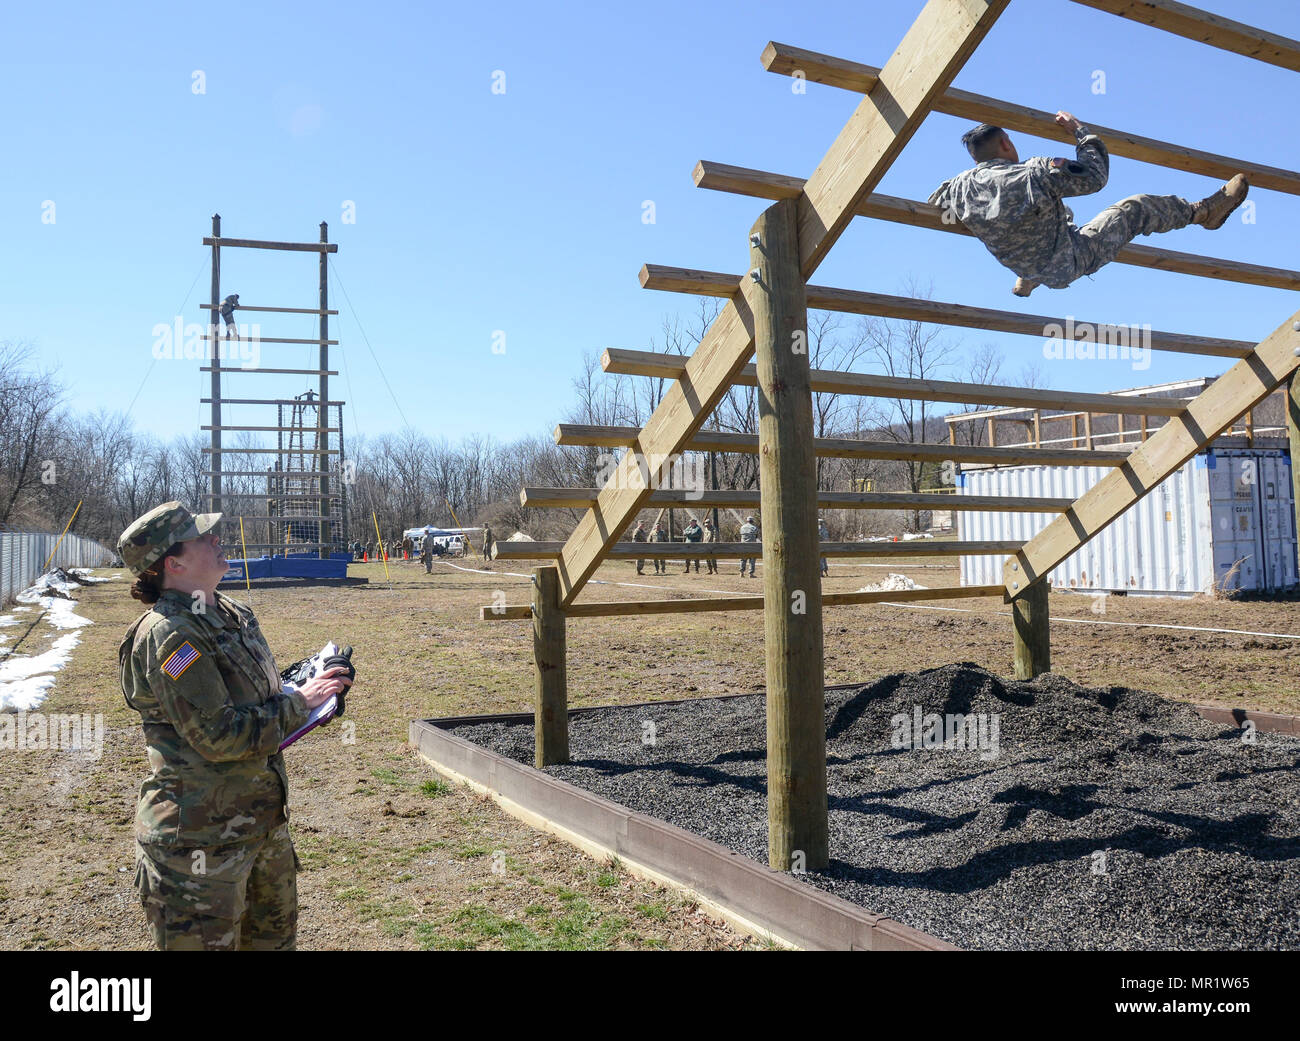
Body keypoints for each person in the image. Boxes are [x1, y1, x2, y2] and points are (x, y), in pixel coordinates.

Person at [116, 502, 353, 950]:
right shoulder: (170, 635)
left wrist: (316, 683)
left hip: (261, 826)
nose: (216, 539)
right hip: (200, 848)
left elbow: (258, 699)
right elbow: (220, 735)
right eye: (203, 537)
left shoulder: (230, 612)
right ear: (174, 562)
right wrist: (300, 703)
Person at [927, 112, 1249, 297]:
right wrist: (1081, 133)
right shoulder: (1035, 173)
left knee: (1046, 208)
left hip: (1025, 260)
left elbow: (934, 205)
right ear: (1006, 143)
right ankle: (1203, 212)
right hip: (1068, 259)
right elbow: (1095, 177)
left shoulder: (957, 188)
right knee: (1132, 210)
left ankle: (1030, 273)